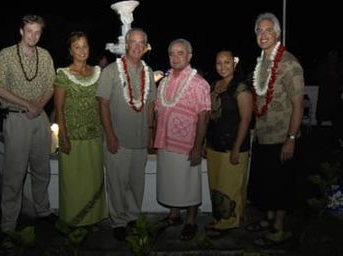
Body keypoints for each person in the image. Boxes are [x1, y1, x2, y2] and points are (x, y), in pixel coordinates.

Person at [0, 14, 56, 248]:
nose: (33, 36)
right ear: (21, 31)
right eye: (29, 31)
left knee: (42, 169)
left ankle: (43, 211)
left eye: (37, 32)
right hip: (17, 119)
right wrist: (26, 104)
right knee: (14, 175)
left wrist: (38, 105)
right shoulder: (6, 55)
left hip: (40, 119)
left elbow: (51, 85)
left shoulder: (45, 55)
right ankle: (8, 225)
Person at [246, 13, 304, 247]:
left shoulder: (289, 62)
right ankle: (268, 221)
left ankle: (279, 230)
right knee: (266, 182)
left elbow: (298, 104)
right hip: (263, 134)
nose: (263, 34)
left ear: (277, 34)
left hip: (282, 136)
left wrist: (291, 138)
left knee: (280, 184)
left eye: (268, 30)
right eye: (259, 30)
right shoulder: (262, 62)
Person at [96, 28, 156, 241]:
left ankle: (132, 217)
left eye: (142, 42)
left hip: (140, 140)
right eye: (134, 42)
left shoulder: (148, 73)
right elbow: (102, 104)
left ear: (146, 47)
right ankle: (118, 221)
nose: (137, 46)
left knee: (136, 183)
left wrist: (150, 132)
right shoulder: (111, 71)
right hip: (118, 140)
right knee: (117, 183)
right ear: (127, 45)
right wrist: (110, 135)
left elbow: (150, 106)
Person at [154, 39, 211, 241]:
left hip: (187, 145)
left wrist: (198, 147)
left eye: (180, 53)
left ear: (189, 56)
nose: (175, 57)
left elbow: (204, 117)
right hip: (165, 141)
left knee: (189, 184)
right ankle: (174, 215)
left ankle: (191, 220)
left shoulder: (199, 83)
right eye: (171, 53)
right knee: (171, 181)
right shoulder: (165, 81)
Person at [53, 31, 108, 230]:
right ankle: (74, 220)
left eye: (85, 46)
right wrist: (63, 138)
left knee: (93, 179)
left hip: (94, 135)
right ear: (70, 51)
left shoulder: (97, 72)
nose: (82, 50)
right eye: (77, 47)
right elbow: (58, 109)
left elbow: (104, 102)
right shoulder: (63, 75)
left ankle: (93, 218)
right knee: (73, 181)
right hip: (72, 138)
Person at [204, 50, 252, 238]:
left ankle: (228, 223)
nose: (222, 66)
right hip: (214, 144)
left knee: (230, 187)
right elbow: (209, 118)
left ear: (234, 64)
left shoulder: (241, 87)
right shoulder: (213, 85)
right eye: (219, 63)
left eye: (227, 62)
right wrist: (204, 144)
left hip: (234, 146)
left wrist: (236, 148)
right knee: (216, 186)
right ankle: (220, 219)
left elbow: (246, 119)